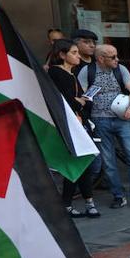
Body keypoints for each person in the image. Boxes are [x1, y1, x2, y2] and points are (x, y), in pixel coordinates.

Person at [78, 43, 130, 210]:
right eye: (113, 57)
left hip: (123, 119)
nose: (117, 59)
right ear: (100, 58)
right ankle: (118, 195)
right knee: (108, 162)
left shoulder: (120, 69)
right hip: (99, 120)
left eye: (116, 55)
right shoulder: (88, 71)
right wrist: (82, 101)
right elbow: (82, 94)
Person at [47, 39, 101, 218]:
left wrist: (81, 102)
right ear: (62, 55)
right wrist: (80, 102)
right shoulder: (57, 73)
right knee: (78, 163)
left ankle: (81, 203)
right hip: (68, 125)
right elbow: (68, 102)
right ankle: (79, 203)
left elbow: (76, 101)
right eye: (74, 52)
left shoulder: (70, 74)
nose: (78, 56)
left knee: (82, 163)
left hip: (79, 124)